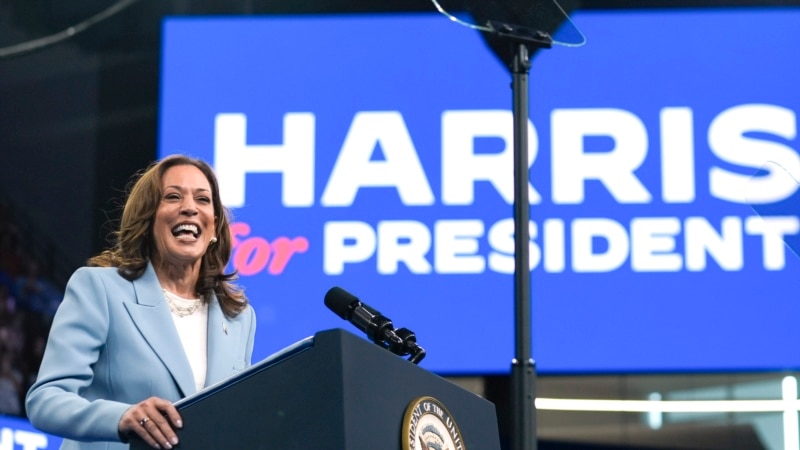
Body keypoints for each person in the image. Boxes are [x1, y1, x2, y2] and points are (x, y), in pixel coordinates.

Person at [25, 154, 257, 450]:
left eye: (203, 200)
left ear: (214, 227)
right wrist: (121, 417)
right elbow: (46, 400)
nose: (189, 208)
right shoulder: (100, 289)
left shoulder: (238, 318)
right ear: (148, 219)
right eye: (173, 197)